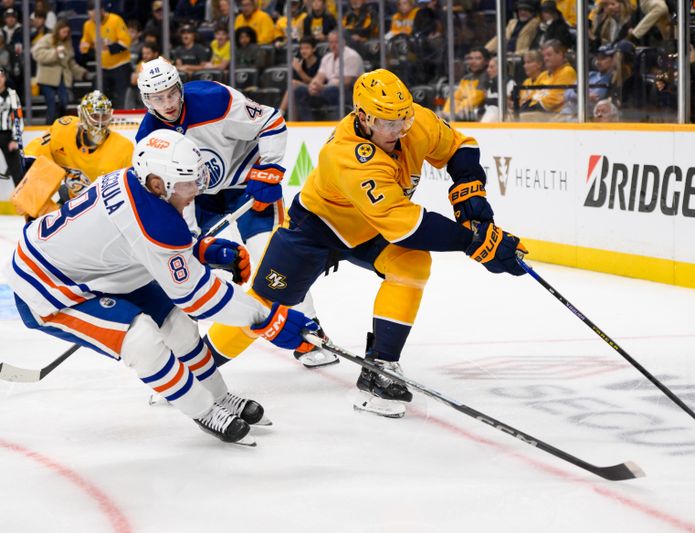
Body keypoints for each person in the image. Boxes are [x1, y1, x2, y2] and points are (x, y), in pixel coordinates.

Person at [205, 69, 528, 419]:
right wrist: (476, 242)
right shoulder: (348, 156)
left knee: (411, 264)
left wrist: (470, 192)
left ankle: (379, 369)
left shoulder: (411, 120)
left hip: (371, 229)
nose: (400, 129)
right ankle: (198, 368)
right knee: (264, 304)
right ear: (363, 117)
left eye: (404, 117)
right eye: (388, 122)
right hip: (315, 229)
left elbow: (459, 147)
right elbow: (410, 227)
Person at [4, 129, 319, 444]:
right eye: (188, 182)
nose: (196, 189)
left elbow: (144, 247)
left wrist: (200, 250)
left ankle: (219, 396)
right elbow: (199, 298)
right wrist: (266, 318)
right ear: (157, 184)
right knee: (142, 341)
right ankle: (204, 410)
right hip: (47, 288)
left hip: (101, 268)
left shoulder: (141, 189)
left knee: (179, 327)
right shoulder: (152, 218)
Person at [135, 57, 336, 368]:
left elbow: (271, 121)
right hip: (197, 198)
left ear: (180, 87)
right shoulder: (149, 138)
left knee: (275, 260)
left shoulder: (214, 100)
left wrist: (268, 167)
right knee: (182, 266)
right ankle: (185, 354)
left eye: (172, 93)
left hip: (247, 187)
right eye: (158, 98)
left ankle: (311, 330)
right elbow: (164, 194)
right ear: (146, 100)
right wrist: (188, 240)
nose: (168, 103)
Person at [20, 92, 133, 218]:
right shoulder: (63, 129)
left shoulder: (123, 148)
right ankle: (37, 226)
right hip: (72, 201)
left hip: (102, 212)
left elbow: (130, 193)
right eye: (95, 116)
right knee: (29, 190)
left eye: (104, 116)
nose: (100, 123)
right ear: (82, 115)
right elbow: (35, 154)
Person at [293, 31, 365, 121]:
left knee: (333, 90)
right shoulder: (327, 58)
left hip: (347, 93)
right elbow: (319, 77)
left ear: (343, 42)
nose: (333, 45)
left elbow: (346, 82)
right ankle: (309, 124)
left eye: (336, 42)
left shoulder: (351, 56)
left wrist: (323, 87)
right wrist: (313, 86)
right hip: (327, 91)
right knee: (300, 91)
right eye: (331, 42)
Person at [32, 20, 89, 126]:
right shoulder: (47, 39)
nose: (65, 34)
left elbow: (71, 63)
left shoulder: (68, 43)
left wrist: (82, 73)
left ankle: (60, 125)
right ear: (58, 30)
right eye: (63, 31)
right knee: (52, 103)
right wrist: (55, 53)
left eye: (67, 32)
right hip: (47, 79)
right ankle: (49, 126)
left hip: (63, 79)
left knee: (64, 102)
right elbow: (37, 54)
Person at [79, 3, 132, 110]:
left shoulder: (115, 20)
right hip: (103, 67)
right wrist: (84, 46)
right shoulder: (88, 25)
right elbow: (85, 42)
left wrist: (109, 47)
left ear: (102, 11)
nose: (94, 20)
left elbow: (126, 43)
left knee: (121, 97)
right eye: (92, 17)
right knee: (100, 96)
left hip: (120, 65)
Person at [523, 39, 577, 116]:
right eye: (544, 56)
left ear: (560, 54)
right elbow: (533, 95)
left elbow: (555, 100)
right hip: (538, 112)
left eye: (549, 55)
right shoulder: (544, 75)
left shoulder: (567, 71)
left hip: (555, 115)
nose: (546, 58)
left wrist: (530, 109)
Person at [442, 46, 490, 121]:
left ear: (487, 61)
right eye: (470, 58)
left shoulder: (487, 77)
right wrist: (446, 112)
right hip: (460, 114)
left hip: (478, 116)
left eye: (478, 58)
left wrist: (455, 113)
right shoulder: (466, 78)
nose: (473, 62)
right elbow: (456, 97)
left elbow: (475, 98)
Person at [279, 36, 320, 116]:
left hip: (317, 92)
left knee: (293, 84)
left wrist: (299, 70)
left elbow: (314, 83)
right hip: (303, 93)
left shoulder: (320, 62)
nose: (303, 51)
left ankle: (280, 114)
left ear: (314, 49)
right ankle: (293, 124)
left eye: (307, 48)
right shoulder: (301, 62)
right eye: (301, 48)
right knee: (294, 93)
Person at [0, 66, 22, 184]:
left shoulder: (12, 95)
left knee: (17, 173)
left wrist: (15, 139)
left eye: (1, 76)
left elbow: (18, 118)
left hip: (7, 136)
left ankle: (21, 201)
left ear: (5, 78)